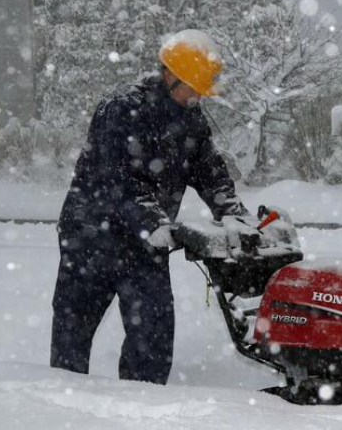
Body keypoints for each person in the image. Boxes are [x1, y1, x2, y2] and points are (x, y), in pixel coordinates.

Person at [50, 29, 250, 384]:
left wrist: (233, 213)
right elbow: (117, 178)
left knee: (153, 332)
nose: (197, 97)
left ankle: (144, 407)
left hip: (143, 242)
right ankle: (64, 405)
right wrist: (155, 222)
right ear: (170, 75)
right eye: (192, 87)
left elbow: (210, 171)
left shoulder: (191, 117)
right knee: (74, 329)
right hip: (91, 236)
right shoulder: (122, 108)